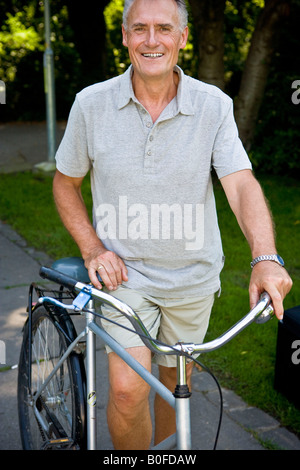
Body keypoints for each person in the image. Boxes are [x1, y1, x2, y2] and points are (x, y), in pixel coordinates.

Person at [53, 0, 292, 450]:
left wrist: (264, 257)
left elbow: (240, 185)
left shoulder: (213, 106)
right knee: (127, 391)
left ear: (183, 37)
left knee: (174, 386)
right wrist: (91, 249)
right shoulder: (91, 104)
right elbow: (65, 185)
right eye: (139, 28)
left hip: (193, 280)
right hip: (125, 275)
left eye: (164, 29)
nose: (151, 40)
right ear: (124, 36)